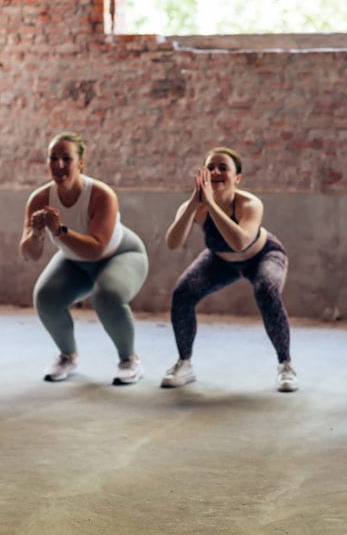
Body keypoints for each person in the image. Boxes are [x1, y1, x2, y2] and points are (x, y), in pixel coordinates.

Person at [163, 147, 298, 392]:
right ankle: (184, 363)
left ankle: (285, 365)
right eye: (210, 167)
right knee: (182, 293)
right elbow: (173, 243)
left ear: (237, 178)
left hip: (263, 256)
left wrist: (211, 204)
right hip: (220, 261)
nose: (216, 172)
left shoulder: (250, 204)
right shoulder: (194, 206)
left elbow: (240, 242)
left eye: (223, 168)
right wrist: (194, 204)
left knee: (266, 290)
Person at [20, 131, 149, 385]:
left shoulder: (102, 195)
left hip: (120, 255)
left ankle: (129, 359)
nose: (59, 165)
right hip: (74, 261)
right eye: (53, 158)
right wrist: (36, 234)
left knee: (107, 296)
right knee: (45, 298)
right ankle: (67, 356)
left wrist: (59, 230)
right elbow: (29, 254)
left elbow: (96, 249)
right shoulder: (39, 198)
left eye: (66, 159)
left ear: (80, 163)